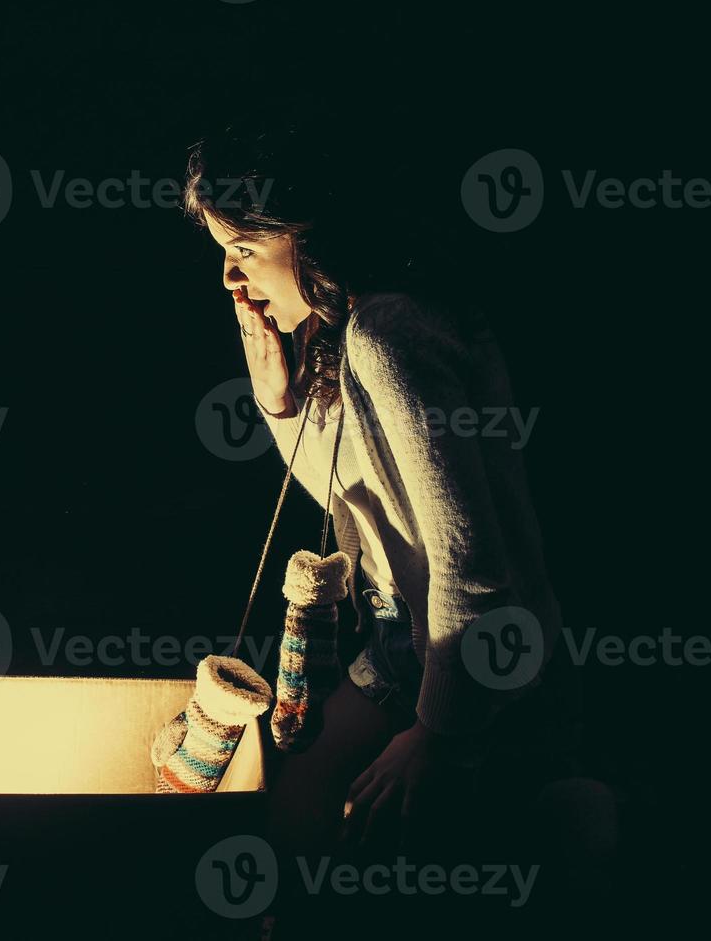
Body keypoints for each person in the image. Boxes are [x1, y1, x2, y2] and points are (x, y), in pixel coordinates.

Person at [183, 123, 582, 860]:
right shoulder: (347, 332)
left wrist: (436, 733)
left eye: (243, 251)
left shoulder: (388, 333)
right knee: (300, 807)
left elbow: (473, 564)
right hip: (409, 638)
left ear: (304, 232)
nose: (230, 281)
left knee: (338, 829)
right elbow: (349, 503)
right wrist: (280, 401)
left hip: (476, 647)